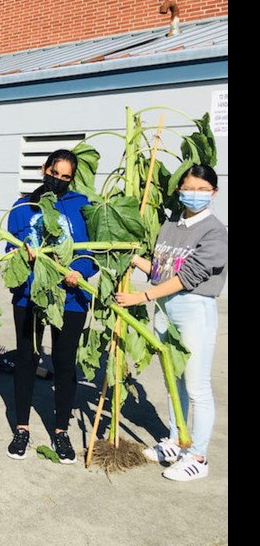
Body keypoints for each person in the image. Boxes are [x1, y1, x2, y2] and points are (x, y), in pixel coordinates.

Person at [115, 164, 227, 481]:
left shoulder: (216, 232)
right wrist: (130, 256)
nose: (194, 194)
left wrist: (143, 297)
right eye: (189, 188)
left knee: (196, 385)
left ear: (213, 193)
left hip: (194, 308)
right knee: (172, 381)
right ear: (179, 190)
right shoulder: (170, 225)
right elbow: (161, 269)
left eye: (203, 190)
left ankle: (198, 456)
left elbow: (188, 276)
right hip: (166, 308)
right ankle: (176, 441)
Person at [5, 149, 97, 464]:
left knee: (64, 362)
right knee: (27, 359)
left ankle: (60, 431)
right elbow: (8, 248)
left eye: (64, 177)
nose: (57, 180)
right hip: (29, 295)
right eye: (53, 173)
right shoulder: (23, 206)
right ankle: (21, 427)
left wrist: (79, 272)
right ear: (44, 169)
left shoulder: (82, 206)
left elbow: (92, 254)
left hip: (70, 298)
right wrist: (22, 256)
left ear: (72, 179)